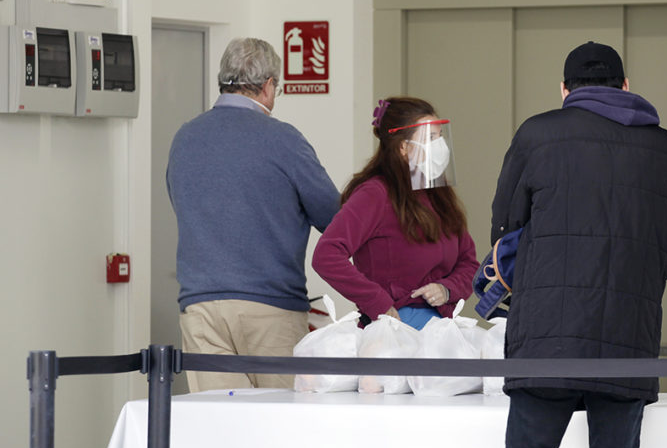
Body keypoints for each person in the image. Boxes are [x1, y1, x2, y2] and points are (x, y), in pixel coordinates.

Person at [490, 41, 667, 448]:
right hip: (628, 337)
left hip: (545, 339)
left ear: (563, 90)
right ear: (625, 86)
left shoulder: (536, 135)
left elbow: (505, 232)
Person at [167, 37, 339, 392]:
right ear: (268, 86)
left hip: (201, 307)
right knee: (276, 426)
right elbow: (333, 217)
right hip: (270, 307)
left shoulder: (185, 138)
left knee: (218, 425)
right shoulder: (284, 140)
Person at [312, 97, 479, 330]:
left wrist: (447, 288)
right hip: (395, 329)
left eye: (439, 136)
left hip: (440, 327)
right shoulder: (375, 194)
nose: (439, 145)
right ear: (403, 147)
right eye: (429, 138)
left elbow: (469, 262)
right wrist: (379, 303)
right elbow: (327, 256)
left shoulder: (439, 196)